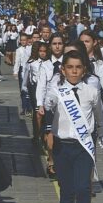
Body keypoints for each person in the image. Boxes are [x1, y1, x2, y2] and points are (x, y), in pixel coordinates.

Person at [44, 50, 103, 203]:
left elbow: (99, 114)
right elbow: (48, 102)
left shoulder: (91, 91)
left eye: (78, 67)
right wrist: (48, 104)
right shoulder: (57, 90)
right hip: (62, 145)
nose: (74, 71)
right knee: (67, 190)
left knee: (83, 188)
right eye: (70, 67)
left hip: (83, 146)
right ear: (63, 70)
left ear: (84, 70)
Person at [36, 33, 65, 178]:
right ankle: (51, 160)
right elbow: (41, 86)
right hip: (50, 105)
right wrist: (40, 104)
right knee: (50, 135)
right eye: (54, 44)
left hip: (64, 104)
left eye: (60, 43)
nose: (57, 46)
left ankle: (62, 162)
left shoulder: (68, 63)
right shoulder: (46, 65)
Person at [13, 33, 32, 116]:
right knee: (23, 90)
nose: (23, 42)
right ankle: (24, 108)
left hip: (30, 70)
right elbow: (17, 61)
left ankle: (29, 108)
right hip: (22, 69)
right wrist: (15, 71)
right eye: (22, 40)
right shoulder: (18, 50)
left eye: (25, 40)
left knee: (29, 90)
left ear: (27, 40)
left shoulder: (30, 48)